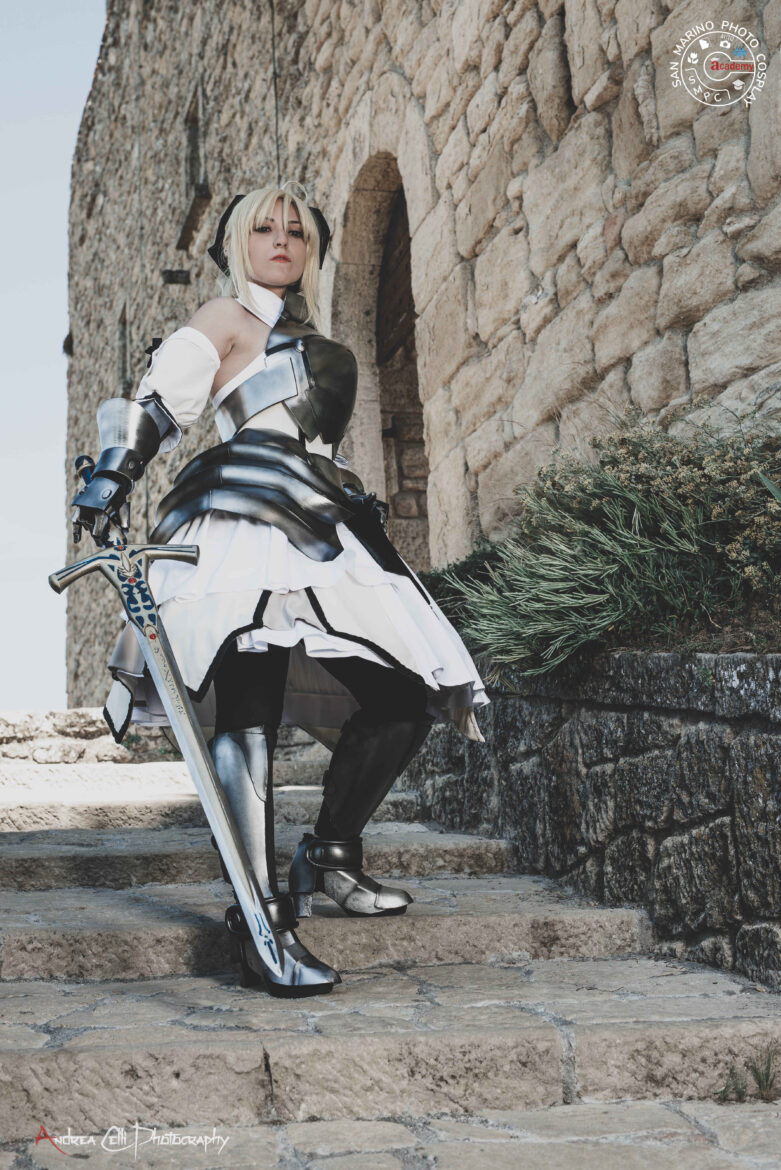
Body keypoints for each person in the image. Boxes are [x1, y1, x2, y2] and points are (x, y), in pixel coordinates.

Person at [71, 180, 490, 998]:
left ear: (312, 248)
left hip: (324, 522)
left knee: (406, 694)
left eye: (295, 231)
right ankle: (261, 920)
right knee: (250, 704)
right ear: (240, 241)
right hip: (243, 519)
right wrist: (110, 478)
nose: (281, 241)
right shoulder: (227, 318)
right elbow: (160, 400)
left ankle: (328, 852)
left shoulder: (316, 339)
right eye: (264, 228)